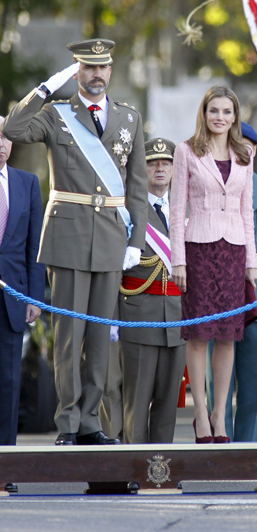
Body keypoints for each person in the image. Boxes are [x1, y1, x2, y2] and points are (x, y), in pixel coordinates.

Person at [2, 39, 148, 446]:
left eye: (102, 68)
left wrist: (135, 239)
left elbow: (136, 188)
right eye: (87, 68)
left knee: (100, 336)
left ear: (111, 71)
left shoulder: (129, 119)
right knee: (69, 336)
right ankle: (67, 423)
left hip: (110, 239)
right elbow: (12, 128)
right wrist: (47, 88)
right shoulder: (56, 114)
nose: (96, 75)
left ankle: (89, 421)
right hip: (67, 237)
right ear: (76, 72)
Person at [170, 85, 257, 444]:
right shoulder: (186, 151)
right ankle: (201, 415)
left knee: (227, 337)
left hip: (234, 251)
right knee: (199, 335)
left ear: (235, 116)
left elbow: (246, 212)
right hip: (199, 250)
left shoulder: (245, 154)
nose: (220, 117)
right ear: (204, 114)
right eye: (213, 111)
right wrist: (179, 261)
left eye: (226, 111)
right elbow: (177, 212)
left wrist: (251, 263)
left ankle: (221, 416)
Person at [206, 122, 257, 441]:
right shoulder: (209, 183)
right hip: (218, 290)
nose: (243, 150)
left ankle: (247, 445)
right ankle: (215, 443)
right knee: (218, 379)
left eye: (248, 145)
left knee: (252, 381)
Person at [118, 137, 186, 443]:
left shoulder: (184, 209)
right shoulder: (128, 209)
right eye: (153, 163)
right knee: (136, 398)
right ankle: (135, 465)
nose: (160, 169)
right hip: (138, 314)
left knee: (168, 401)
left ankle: (161, 469)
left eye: (166, 163)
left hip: (178, 317)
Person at [0, 118, 44, 448]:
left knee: (9, 381)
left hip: (12, 300)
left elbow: (35, 247)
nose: (2, 143)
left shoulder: (26, 183)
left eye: (7, 137)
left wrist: (35, 297)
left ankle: (6, 462)